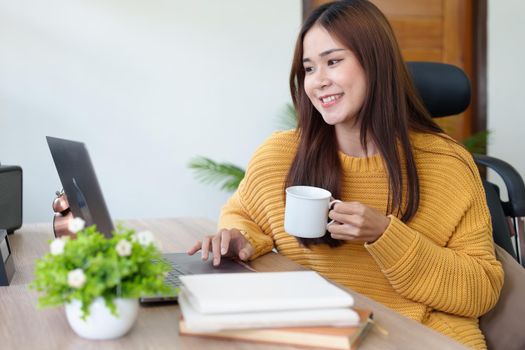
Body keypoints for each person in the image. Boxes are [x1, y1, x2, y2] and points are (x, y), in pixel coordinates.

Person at [188, 1, 503, 348]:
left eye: (333, 61)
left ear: (375, 63)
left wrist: (385, 235)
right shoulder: (281, 154)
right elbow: (244, 214)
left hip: (420, 338)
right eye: (309, 68)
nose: (318, 81)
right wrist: (241, 239)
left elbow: (481, 291)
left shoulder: (446, 164)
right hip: (317, 335)